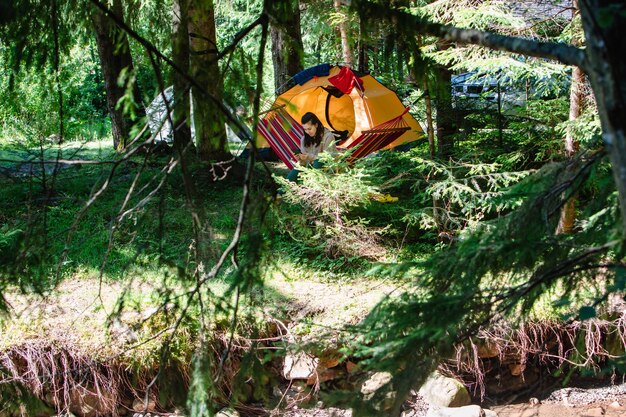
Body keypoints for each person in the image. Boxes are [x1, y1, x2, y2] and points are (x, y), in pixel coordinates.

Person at [286, 112, 337, 182]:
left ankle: (313, 184)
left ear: (316, 125)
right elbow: (304, 164)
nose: (307, 132)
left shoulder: (328, 136)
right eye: (305, 129)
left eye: (309, 129)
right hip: (309, 167)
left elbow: (328, 158)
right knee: (295, 170)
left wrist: (310, 157)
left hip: (325, 168)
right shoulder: (304, 139)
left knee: (318, 162)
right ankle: (281, 191)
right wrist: (301, 159)